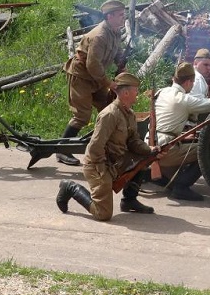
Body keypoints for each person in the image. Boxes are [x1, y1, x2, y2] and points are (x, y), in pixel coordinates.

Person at [57, 73, 163, 221]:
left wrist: (150, 151)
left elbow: (133, 142)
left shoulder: (130, 114)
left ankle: (129, 200)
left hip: (116, 162)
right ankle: (70, 188)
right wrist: (104, 174)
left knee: (146, 157)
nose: (137, 93)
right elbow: (95, 148)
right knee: (103, 214)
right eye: (135, 90)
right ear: (126, 93)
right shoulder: (109, 115)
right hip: (98, 165)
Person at [56, 0, 127, 166]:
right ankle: (61, 150)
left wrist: (121, 64)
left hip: (95, 77)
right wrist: (109, 83)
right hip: (82, 77)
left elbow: (116, 50)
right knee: (82, 116)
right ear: (109, 16)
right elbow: (92, 65)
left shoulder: (114, 30)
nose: (123, 18)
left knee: (108, 109)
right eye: (120, 15)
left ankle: (102, 147)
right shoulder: (100, 35)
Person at [151, 62, 210, 201]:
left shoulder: (161, 92)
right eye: (192, 83)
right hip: (165, 149)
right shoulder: (183, 99)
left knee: (192, 143)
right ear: (187, 82)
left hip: (151, 144)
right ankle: (181, 187)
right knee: (208, 149)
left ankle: (162, 177)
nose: (192, 86)